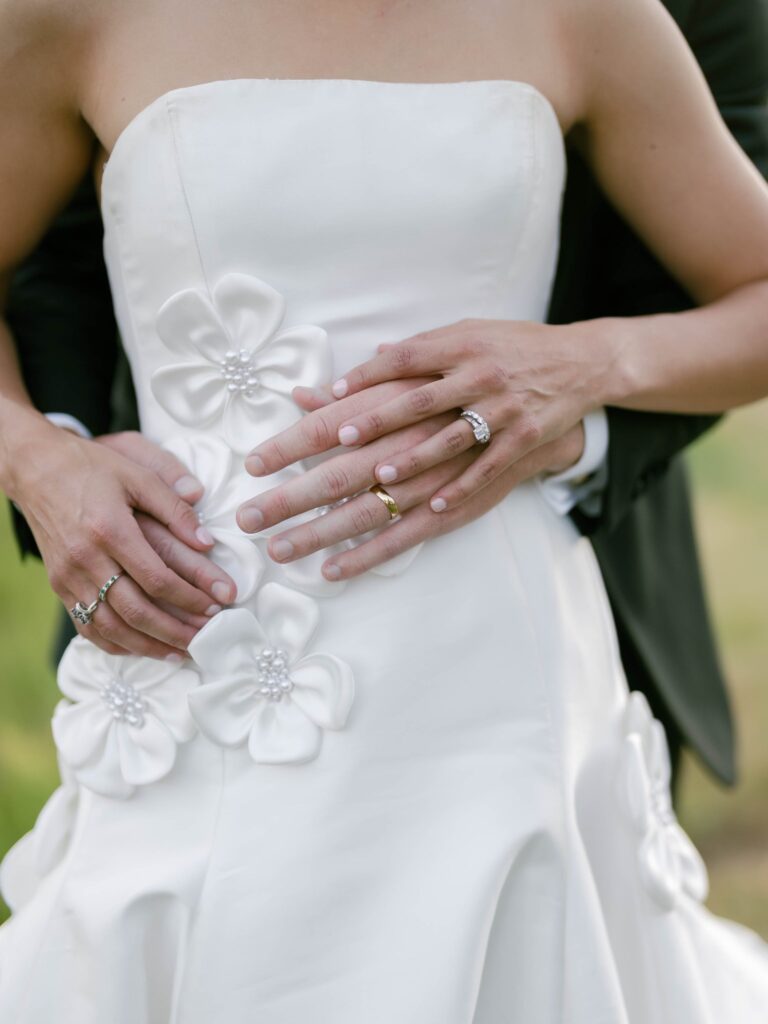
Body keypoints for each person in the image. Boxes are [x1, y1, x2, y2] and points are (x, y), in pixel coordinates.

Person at [1, 0, 768, 1019]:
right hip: (199, 653)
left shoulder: (594, 14)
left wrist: (589, 363)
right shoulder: (73, 14)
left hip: (493, 670)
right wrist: (37, 455)